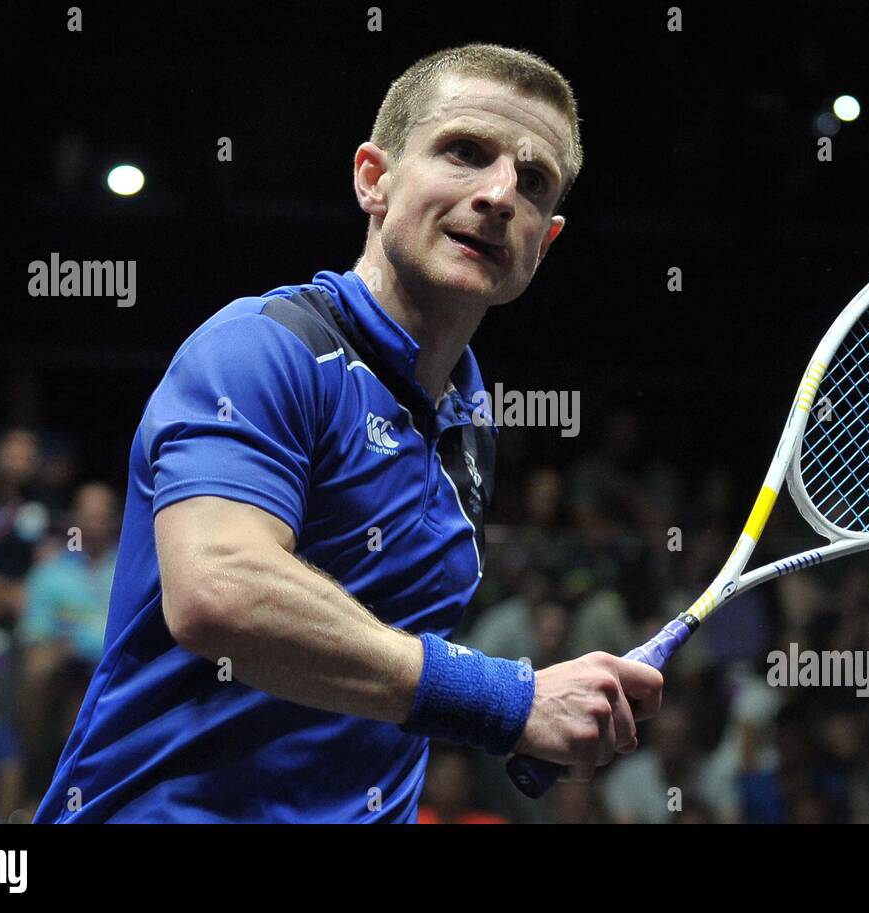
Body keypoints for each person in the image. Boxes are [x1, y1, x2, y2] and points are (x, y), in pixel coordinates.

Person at [34, 43, 662, 823]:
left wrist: (530, 715)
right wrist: (509, 699)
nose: (500, 195)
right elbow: (220, 591)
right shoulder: (264, 347)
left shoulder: (470, 424)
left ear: (545, 239)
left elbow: (378, 675)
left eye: (532, 183)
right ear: (375, 178)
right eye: (466, 153)